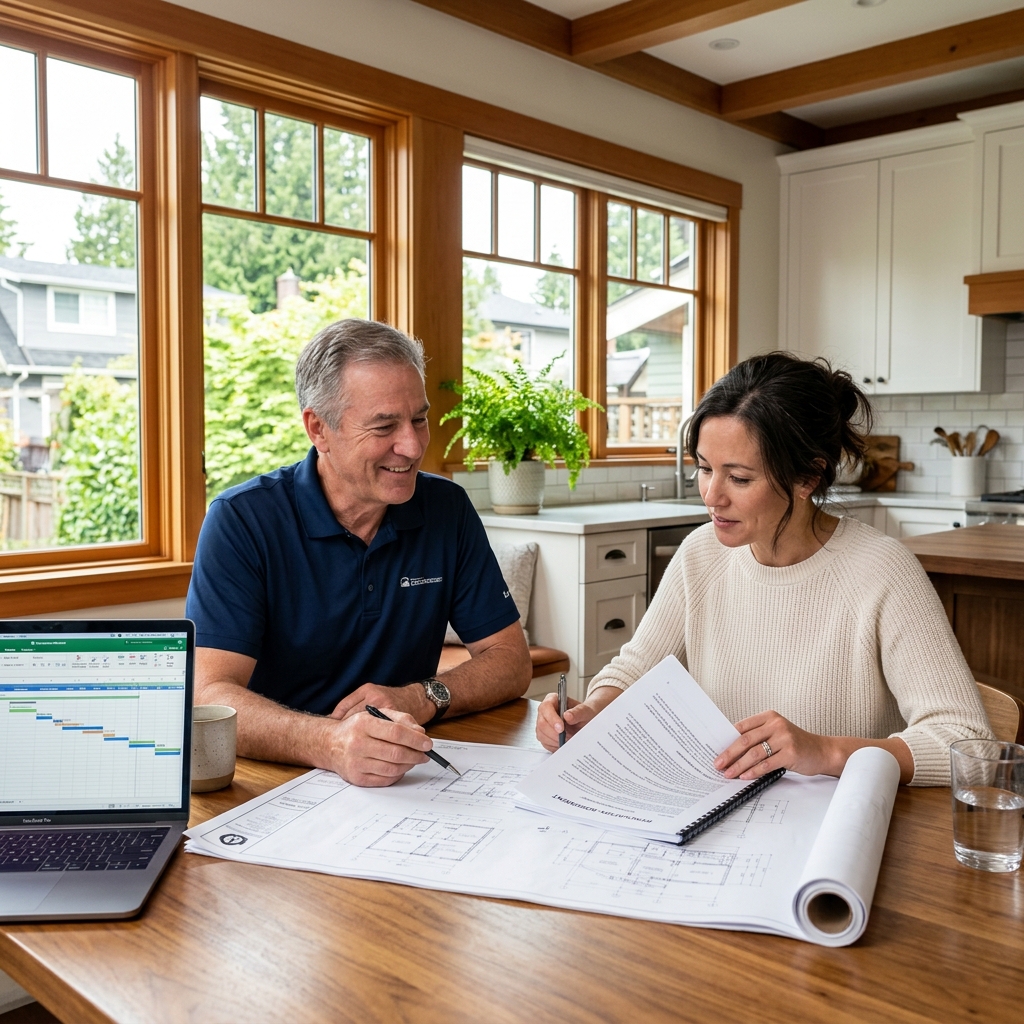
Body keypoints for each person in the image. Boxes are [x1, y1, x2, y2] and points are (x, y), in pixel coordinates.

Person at [537, 352, 992, 785]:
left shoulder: (883, 571)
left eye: (739, 478)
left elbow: (969, 742)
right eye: (704, 468)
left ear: (807, 478)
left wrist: (827, 752)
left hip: (836, 832)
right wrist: (591, 712)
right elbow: (635, 668)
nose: (712, 495)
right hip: (720, 813)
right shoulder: (701, 555)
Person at [188, 319, 531, 788]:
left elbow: (511, 659)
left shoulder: (446, 508)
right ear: (318, 428)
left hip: (404, 775)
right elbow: (209, 695)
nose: (411, 446)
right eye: (384, 425)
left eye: (419, 419)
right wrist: (331, 743)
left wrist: (422, 696)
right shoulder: (241, 520)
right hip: (275, 780)